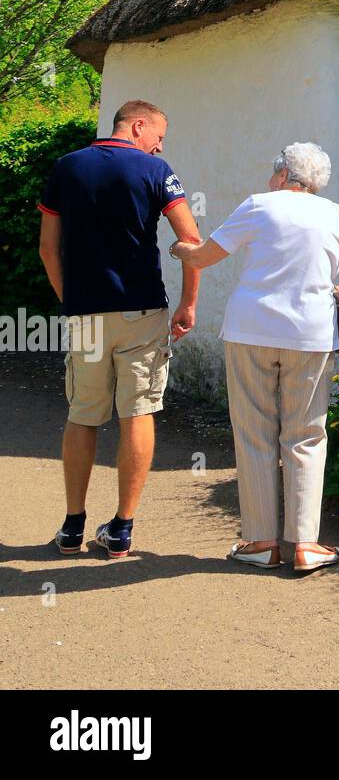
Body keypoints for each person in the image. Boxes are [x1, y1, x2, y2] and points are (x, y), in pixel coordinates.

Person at [171, 142, 339, 573]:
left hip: (250, 330)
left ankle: (261, 543)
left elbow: (205, 257)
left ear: (284, 175)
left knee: (254, 433)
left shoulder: (260, 205)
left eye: (273, 173)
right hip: (311, 335)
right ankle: (305, 545)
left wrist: (180, 250)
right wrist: (331, 296)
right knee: (306, 434)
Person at [38, 100, 202, 559]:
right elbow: (191, 241)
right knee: (138, 412)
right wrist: (188, 303)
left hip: (87, 311)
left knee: (83, 413)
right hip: (142, 310)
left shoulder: (66, 168)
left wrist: (71, 301)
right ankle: (123, 529)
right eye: (159, 136)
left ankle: (72, 528)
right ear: (137, 125)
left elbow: (48, 249)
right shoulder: (156, 171)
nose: (160, 145)